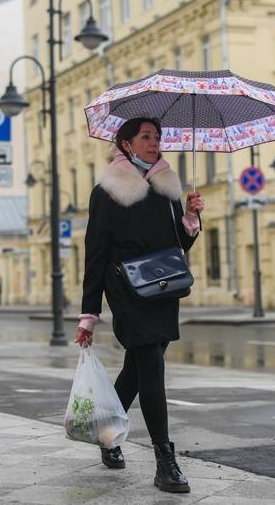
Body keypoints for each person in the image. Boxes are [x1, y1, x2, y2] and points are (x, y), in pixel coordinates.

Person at [75, 117, 204, 494]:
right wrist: (89, 313)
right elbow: (95, 254)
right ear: (127, 144)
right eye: (146, 136)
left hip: (163, 286)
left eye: (158, 136)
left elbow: (178, 243)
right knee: (151, 364)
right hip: (127, 291)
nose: (155, 142)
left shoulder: (167, 184)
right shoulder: (108, 190)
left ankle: (106, 433)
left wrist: (192, 216)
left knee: (138, 367)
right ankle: (165, 460)